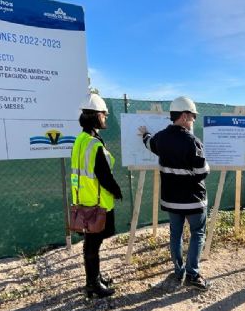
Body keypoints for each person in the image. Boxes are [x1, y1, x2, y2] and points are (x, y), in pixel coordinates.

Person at [138, 96, 210, 290]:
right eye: (193, 116)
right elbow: (203, 172)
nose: (193, 120)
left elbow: (149, 143)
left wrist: (145, 134)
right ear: (184, 116)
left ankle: (179, 272)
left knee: (175, 234)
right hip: (194, 200)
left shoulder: (161, 138)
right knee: (197, 233)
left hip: (171, 200)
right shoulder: (193, 141)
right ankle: (192, 274)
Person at [71, 91, 122, 299]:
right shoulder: (94, 144)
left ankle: (95, 278)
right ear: (96, 116)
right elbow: (104, 176)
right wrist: (117, 191)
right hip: (97, 203)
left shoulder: (80, 140)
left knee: (90, 244)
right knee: (93, 244)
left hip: (83, 200)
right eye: (104, 114)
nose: (105, 117)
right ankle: (93, 284)